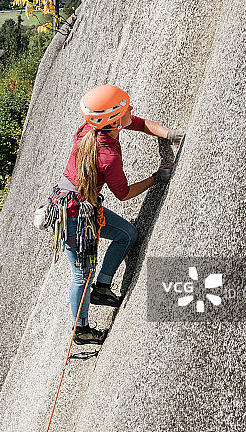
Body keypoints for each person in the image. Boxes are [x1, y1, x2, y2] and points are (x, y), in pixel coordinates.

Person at [57, 84, 184, 345]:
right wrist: (156, 178)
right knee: (82, 274)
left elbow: (138, 123)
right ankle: (81, 330)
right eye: (126, 108)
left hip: (77, 205)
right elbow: (124, 194)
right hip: (74, 216)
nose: (131, 109)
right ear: (114, 121)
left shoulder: (91, 129)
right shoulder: (108, 156)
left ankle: (102, 288)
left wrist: (169, 134)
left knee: (127, 234)